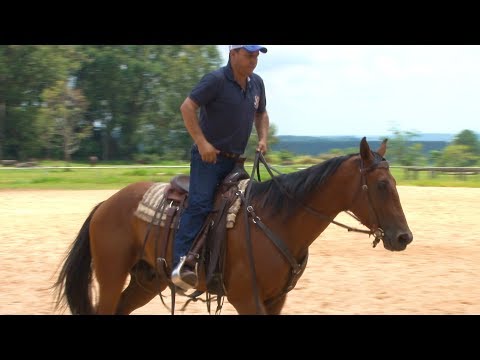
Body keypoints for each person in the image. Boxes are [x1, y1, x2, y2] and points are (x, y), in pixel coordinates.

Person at [171, 45, 270, 291]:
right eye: (249, 55)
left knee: (247, 206)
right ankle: (181, 266)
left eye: (256, 56)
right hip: (208, 159)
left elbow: (261, 113)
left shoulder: (257, 83)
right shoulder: (215, 80)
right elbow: (187, 107)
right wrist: (202, 143)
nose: (254, 60)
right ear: (233, 53)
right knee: (201, 204)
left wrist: (263, 139)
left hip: (236, 161)